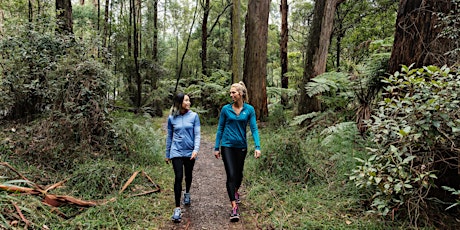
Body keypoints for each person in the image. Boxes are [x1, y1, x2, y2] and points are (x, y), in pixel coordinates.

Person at [214, 81, 261, 222]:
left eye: (233, 92)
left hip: (241, 146)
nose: (231, 95)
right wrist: (217, 147)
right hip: (227, 145)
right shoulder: (225, 109)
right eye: (230, 92)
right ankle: (234, 207)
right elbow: (220, 128)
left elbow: (253, 129)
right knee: (231, 174)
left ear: (240, 94)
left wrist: (257, 147)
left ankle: (235, 191)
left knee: (239, 175)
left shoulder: (249, 110)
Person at [165, 93, 201, 223]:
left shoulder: (194, 116)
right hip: (176, 151)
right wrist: (167, 153)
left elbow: (197, 134)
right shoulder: (172, 118)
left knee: (188, 175)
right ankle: (177, 209)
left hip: (190, 152)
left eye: (189, 100)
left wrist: (195, 150)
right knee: (178, 177)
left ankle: (187, 192)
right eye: (186, 100)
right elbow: (169, 136)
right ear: (180, 102)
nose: (189, 102)